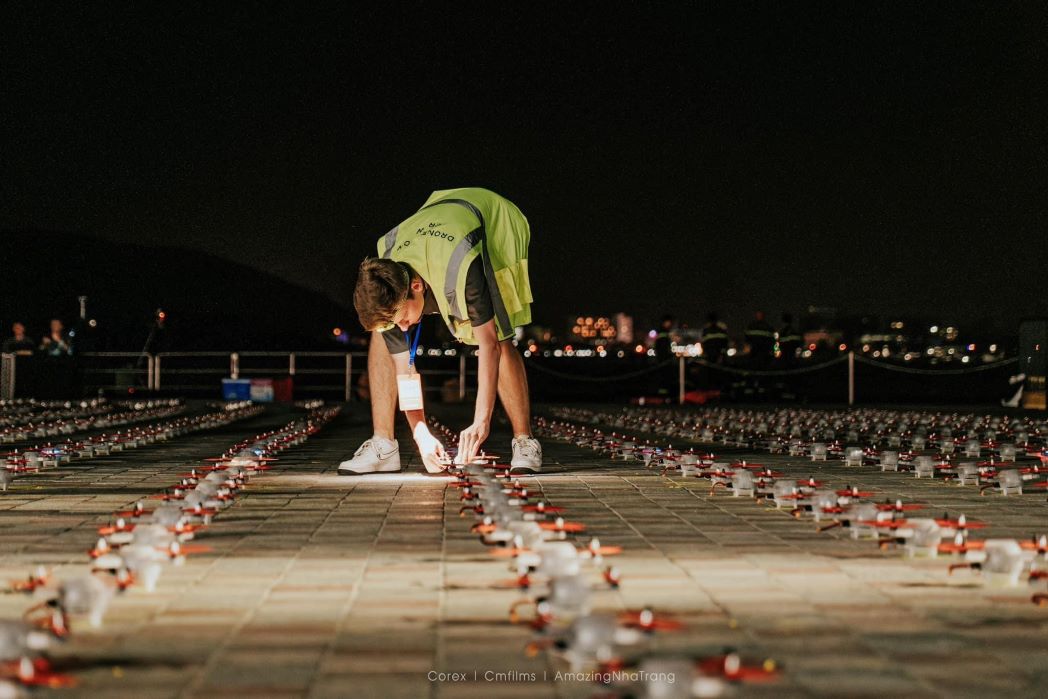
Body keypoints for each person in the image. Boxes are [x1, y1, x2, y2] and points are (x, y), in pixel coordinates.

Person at [341, 187, 542, 476]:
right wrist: (420, 433)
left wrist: (481, 421)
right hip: (435, 225)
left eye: (402, 317)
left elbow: (489, 345)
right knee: (381, 337)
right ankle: (383, 445)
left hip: (494, 222)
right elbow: (405, 366)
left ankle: (524, 441)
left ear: (416, 286)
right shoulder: (387, 279)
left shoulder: (462, 265)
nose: (402, 326)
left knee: (500, 332)